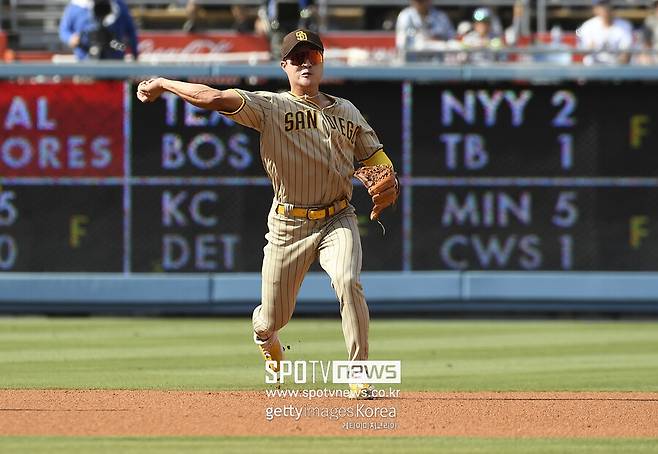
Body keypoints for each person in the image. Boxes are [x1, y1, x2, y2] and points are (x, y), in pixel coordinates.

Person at [136, 29, 398, 400]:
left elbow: (376, 160)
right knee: (273, 317)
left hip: (338, 218)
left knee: (347, 280)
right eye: (297, 57)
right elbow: (212, 97)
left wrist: (389, 175)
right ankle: (264, 336)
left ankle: (359, 376)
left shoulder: (347, 111)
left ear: (323, 62)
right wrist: (163, 82)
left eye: (314, 56)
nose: (306, 62)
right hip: (289, 224)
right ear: (284, 66)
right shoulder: (270, 106)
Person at [59, 0, 138, 60]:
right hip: (85, 60)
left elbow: (131, 31)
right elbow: (64, 30)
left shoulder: (119, 5)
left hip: (115, 59)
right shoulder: (75, 6)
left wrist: (135, 53)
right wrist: (71, 38)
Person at [576, 0, 633, 65]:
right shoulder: (588, 26)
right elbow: (583, 51)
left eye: (608, 4)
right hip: (593, 68)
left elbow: (625, 54)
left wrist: (618, 68)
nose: (605, 8)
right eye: (602, 5)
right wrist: (590, 48)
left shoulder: (624, 25)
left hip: (616, 68)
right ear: (595, 8)